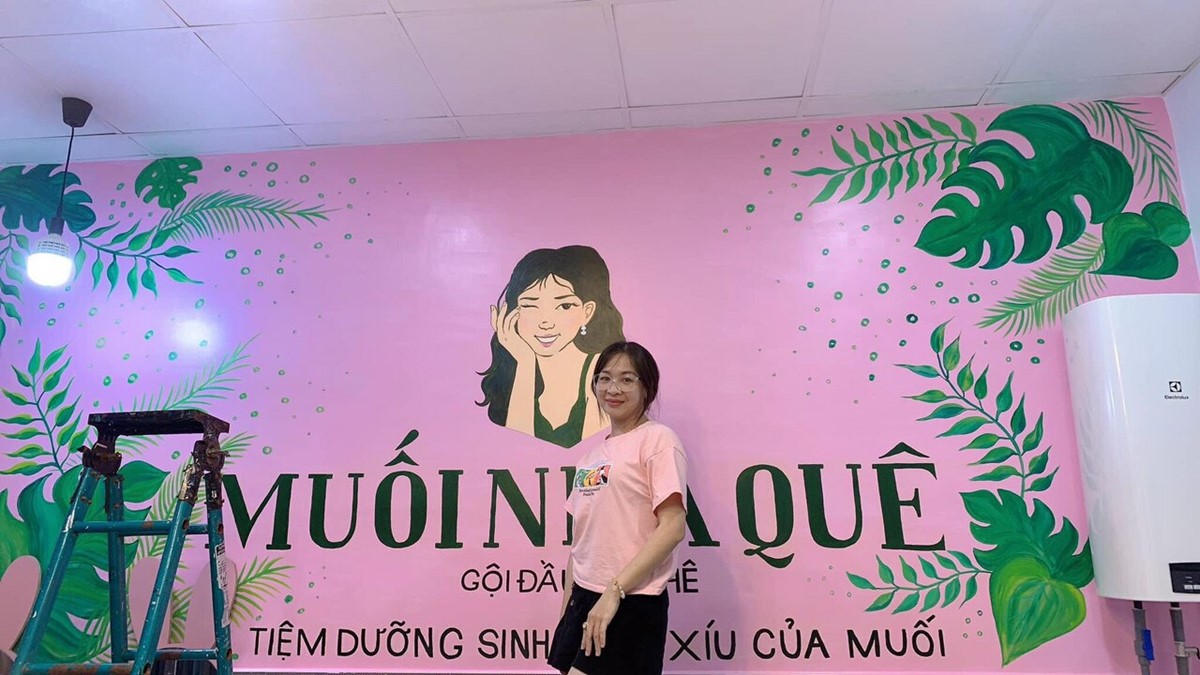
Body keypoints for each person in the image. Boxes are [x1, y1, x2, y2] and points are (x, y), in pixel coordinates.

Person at [548, 341, 688, 675]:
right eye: (605, 378)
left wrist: (614, 592)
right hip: (584, 598)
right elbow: (581, 543)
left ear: (647, 388)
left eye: (627, 379)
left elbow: (673, 526)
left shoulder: (659, 440)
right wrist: (567, 611)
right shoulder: (589, 457)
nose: (613, 389)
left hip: (630, 599)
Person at [479, 246, 625, 448]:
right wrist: (525, 362)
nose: (546, 322)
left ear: (587, 312)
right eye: (530, 305)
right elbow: (517, 448)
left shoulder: (599, 368)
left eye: (564, 306)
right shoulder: (516, 371)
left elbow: (596, 453)